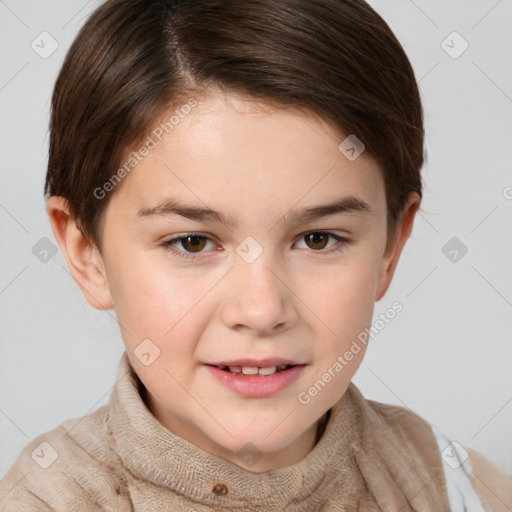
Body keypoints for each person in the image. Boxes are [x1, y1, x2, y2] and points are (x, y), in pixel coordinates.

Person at [0, 0, 510, 510]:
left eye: (318, 239)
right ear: (87, 252)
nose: (263, 310)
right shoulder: (42, 499)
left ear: (390, 246)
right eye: (192, 242)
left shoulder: (455, 487)